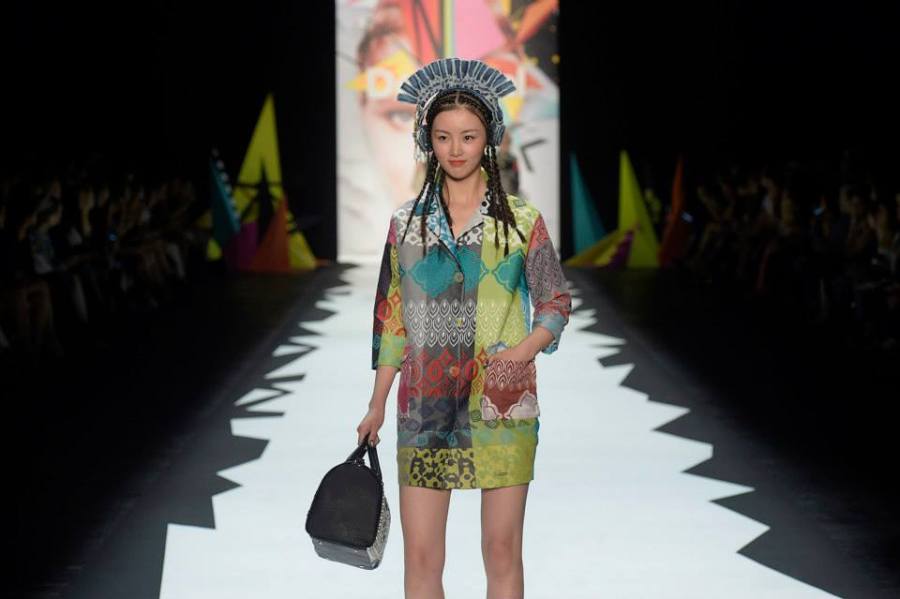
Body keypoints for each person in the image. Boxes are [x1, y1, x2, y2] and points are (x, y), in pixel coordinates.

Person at [357, 58, 572, 599]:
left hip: (501, 404)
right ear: (427, 141)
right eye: (444, 137)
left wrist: (522, 351)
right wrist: (377, 403)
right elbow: (391, 317)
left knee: (501, 552)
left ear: (489, 139)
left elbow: (555, 301)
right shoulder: (405, 225)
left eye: (469, 136)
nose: (456, 149)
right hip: (423, 406)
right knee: (422, 558)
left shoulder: (521, 221)